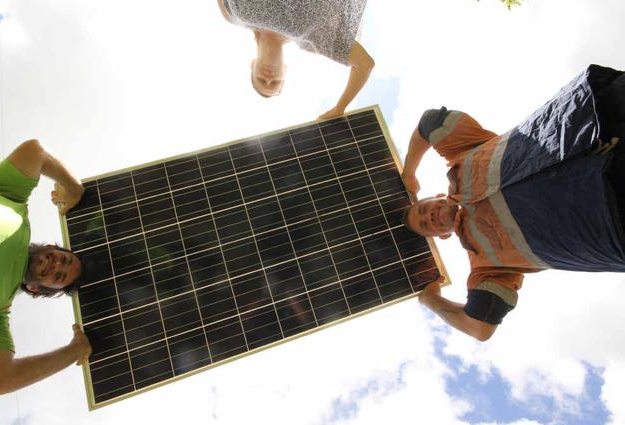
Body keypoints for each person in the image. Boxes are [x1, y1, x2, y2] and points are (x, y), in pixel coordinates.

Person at [401, 64, 625, 341]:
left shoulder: (460, 155)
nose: (429, 217)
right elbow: (479, 327)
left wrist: (408, 172)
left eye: (423, 209)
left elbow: (430, 123)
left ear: (435, 197)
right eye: (426, 226)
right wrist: (431, 301)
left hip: (595, 116)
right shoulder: (485, 266)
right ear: (443, 236)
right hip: (609, 216)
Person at [0, 139, 91, 395]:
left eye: (59, 276)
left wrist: (75, 350)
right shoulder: (13, 201)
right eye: (64, 258)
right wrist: (75, 189)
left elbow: (1, 380)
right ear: (52, 246)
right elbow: (34, 152)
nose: (56, 264)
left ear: (37, 289)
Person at [217, 0, 374, 120]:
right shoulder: (313, 39)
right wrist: (339, 108)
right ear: (285, 70)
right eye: (275, 82)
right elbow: (364, 65)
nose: (268, 79)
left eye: (261, 80)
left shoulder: (233, 15)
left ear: (252, 66)